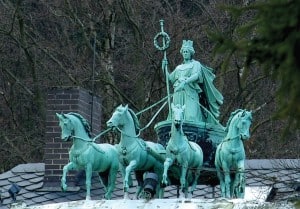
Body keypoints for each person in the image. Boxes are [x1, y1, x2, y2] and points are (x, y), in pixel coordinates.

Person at [162, 40, 223, 124]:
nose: (185, 53)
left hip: (190, 93)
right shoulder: (178, 67)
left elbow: (196, 75)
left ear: (191, 53)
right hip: (178, 93)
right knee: (175, 118)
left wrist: (185, 82)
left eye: (187, 51)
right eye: (184, 51)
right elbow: (169, 78)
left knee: (191, 116)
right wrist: (164, 67)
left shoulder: (195, 64)